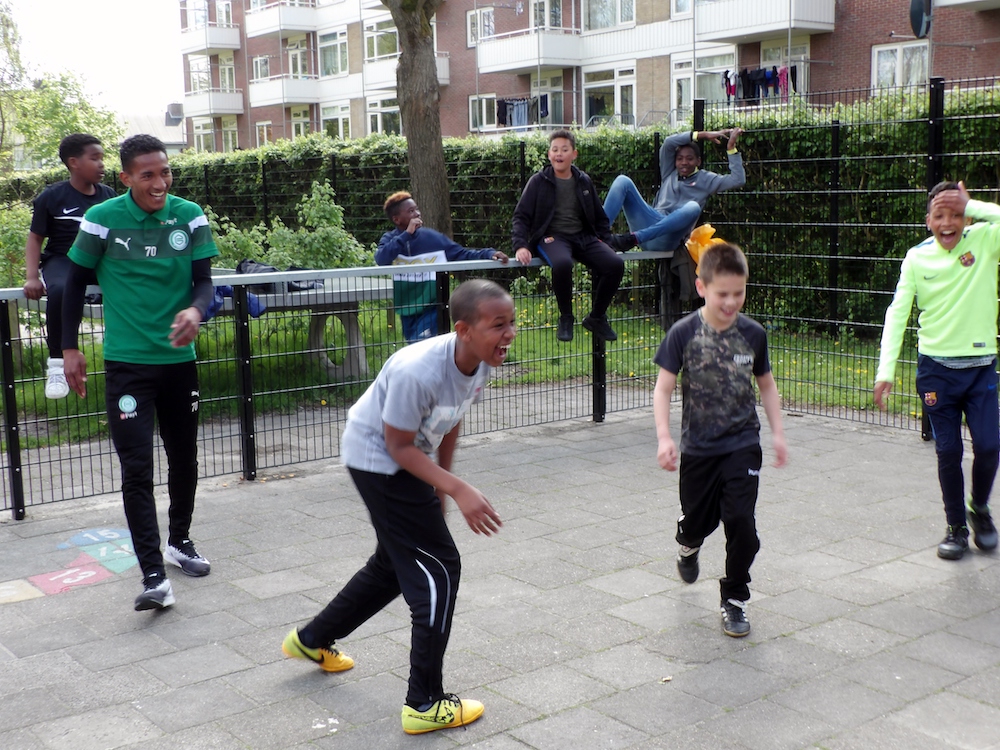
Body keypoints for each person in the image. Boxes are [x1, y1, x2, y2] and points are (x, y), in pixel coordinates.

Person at [282, 279, 513, 735]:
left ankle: (310, 640)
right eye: (498, 325)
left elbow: (450, 422)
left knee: (393, 565)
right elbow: (397, 446)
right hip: (379, 461)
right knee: (439, 571)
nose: (508, 334)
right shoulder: (418, 371)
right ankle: (423, 702)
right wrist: (459, 489)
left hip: (404, 460)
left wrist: (442, 489)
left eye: (511, 324)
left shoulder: (483, 360)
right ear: (464, 329)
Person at [61, 134, 219, 611]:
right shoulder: (102, 220)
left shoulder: (189, 215)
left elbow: (205, 282)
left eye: (164, 172)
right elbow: (72, 285)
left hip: (178, 365)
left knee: (184, 458)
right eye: (147, 174)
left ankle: (180, 543)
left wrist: (195, 311)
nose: (159, 182)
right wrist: (68, 348)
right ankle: (153, 576)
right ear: (125, 177)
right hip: (128, 366)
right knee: (136, 468)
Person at [652, 242, 786, 638]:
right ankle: (688, 541)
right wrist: (664, 438)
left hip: (742, 443)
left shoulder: (753, 334)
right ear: (701, 288)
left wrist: (778, 433)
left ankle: (735, 598)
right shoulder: (683, 333)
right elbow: (662, 390)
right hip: (698, 449)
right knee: (698, 520)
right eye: (722, 294)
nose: (731, 302)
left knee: (742, 523)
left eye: (738, 293)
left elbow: (766, 384)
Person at [874, 181, 1000, 560]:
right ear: (928, 221)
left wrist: (973, 203)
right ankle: (956, 527)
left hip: (981, 369)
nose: (949, 223)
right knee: (948, 450)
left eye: (957, 214)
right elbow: (897, 314)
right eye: (940, 215)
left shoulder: (984, 240)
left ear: (967, 216)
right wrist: (886, 370)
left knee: (990, 445)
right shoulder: (916, 258)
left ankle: (979, 508)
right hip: (936, 371)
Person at [22, 133, 116, 399]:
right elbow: (35, 238)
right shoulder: (52, 196)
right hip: (62, 259)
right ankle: (56, 364)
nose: (101, 164)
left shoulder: (108, 195)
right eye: (94, 158)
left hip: (99, 259)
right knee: (62, 289)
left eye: (102, 158)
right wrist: (32, 277)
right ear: (73, 162)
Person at [512, 129, 623, 343]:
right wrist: (521, 245)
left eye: (564, 149)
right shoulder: (538, 181)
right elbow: (521, 216)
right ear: (549, 154)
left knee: (615, 264)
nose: (559, 154)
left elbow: (600, 218)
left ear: (574, 154)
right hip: (552, 237)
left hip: (582, 237)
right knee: (562, 264)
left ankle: (596, 317)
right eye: (555, 150)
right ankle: (566, 317)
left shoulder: (583, 181)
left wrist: (607, 244)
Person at [376, 191, 509, 343]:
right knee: (414, 349)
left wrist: (489, 253)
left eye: (417, 209)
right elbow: (381, 259)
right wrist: (406, 235)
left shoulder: (431, 238)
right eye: (411, 211)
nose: (417, 214)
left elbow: (461, 253)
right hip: (406, 309)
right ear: (397, 219)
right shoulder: (390, 239)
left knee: (423, 348)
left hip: (431, 308)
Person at [603, 128, 745, 253]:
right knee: (623, 181)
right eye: (680, 159)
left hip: (668, 237)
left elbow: (738, 180)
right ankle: (599, 235)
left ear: (698, 161)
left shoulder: (706, 179)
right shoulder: (669, 172)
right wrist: (703, 135)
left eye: (689, 159)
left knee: (693, 207)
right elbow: (669, 143)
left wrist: (731, 148)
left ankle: (632, 239)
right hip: (649, 225)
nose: (684, 162)